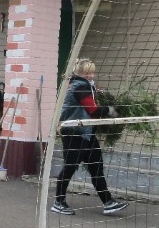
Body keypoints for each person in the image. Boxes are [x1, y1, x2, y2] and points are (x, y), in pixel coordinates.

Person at [51, 58, 127, 216]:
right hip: (74, 133)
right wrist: (111, 110)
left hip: (87, 133)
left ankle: (108, 202)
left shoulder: (83, 86)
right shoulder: (80, 86)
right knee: (70, 167)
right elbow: (92, 110)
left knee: (96, 167)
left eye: (92, 72)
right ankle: (59, 202)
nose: (91, 75)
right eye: (87, 73)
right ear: (79, 73)